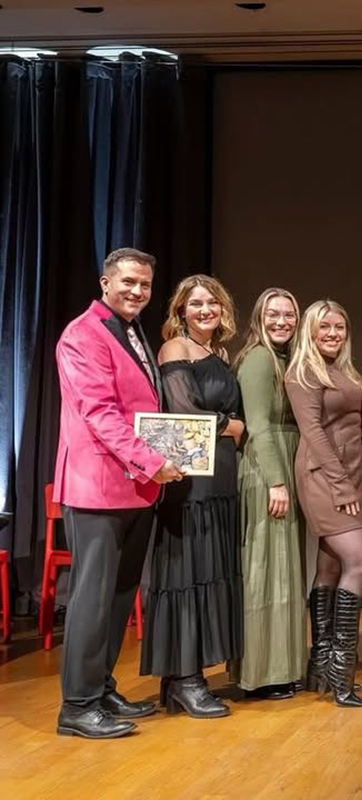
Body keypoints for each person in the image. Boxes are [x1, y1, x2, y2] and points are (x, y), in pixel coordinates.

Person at [53, 247, 183, 739]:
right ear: (105, 283)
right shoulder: (82, 334)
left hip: (135, 489)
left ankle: (101, 688)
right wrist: (153, 461)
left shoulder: (131, 331)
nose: (137, 291)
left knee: (119, 595)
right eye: (128, 281)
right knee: (92, 599)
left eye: (145, 284)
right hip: (98, 489)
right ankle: (77, 705)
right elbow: (100, 413)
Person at [141, 275, 245, 719]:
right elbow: (184, 412)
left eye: (212, 303)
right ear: (181, 310)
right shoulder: (175, 349)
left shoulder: (220, 354)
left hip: (220, 480)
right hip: (191, 483)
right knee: (188, 574)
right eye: (196, 303)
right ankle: (186, 679)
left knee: (209, 573)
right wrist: (232, 426)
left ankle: (181, 679)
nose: (205, 310)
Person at [286, 300, 362, 708]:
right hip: (325, 477)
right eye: (325, 327)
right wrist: (341, 486)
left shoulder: (345, 371)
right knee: (360, 561)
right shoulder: (303, 372)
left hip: (349, 474)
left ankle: (320, 665)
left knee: (331, 566)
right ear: (310, 331)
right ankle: (341, 673)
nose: (333, 333)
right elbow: (314, 433)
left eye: (339, 326)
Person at [231, 287, 306, 700]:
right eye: (273, 314)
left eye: (289, 314)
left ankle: (283, 666)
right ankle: (262, 672)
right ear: (259, 317)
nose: (281, 321)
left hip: (285, 465)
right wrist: (277, 480)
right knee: (266, 569)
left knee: (284, 569)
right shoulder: (260, 358)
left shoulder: (286, 358)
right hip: (266, 469)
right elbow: (258, 425)